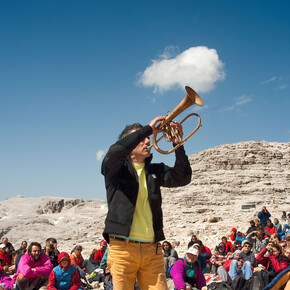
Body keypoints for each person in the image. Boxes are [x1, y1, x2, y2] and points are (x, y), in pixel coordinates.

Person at [101, 117, 192, 290]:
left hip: (153, 250)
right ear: (129, 145)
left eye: (147, 138)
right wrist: (147, 129)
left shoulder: (155, 170)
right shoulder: (116, 170)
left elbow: (183, 177)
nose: (147, 140)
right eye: (141, 138)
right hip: (122, 250)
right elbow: (115, 151)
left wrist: (177, 143)